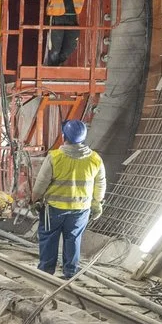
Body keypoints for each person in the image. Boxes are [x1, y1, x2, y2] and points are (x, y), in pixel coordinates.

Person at [34, 119, 104, 278]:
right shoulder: (95, 159)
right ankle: (70, 273)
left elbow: (41, 183)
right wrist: (97, 203)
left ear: (64, 135)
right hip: (80, 210)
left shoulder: (55, 157)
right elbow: (100, 183)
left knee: (49, 239)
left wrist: (35, 200)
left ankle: (45, 273)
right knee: (73, 239)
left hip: (54, 209)